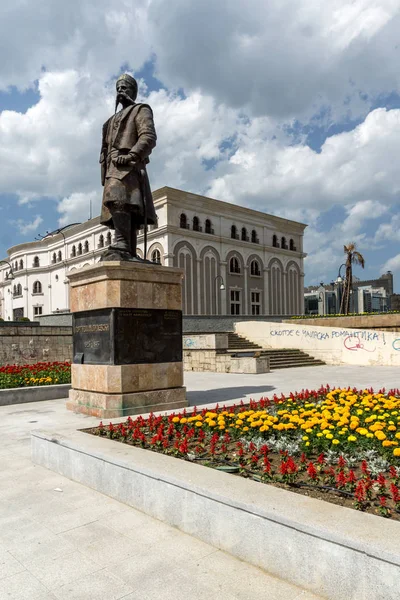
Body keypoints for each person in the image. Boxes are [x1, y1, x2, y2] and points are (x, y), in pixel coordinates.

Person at [99, 73, 157, 260]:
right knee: (122, 204)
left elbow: (148, 136)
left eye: (125, 87)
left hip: (128, 165)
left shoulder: (141, 110)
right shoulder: (109, 122)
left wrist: (132, 155)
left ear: (133, 90)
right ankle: (127, 249)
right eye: (118, 88)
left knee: (117, 199)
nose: (120, 91)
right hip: (112, 166)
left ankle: (123, 244)